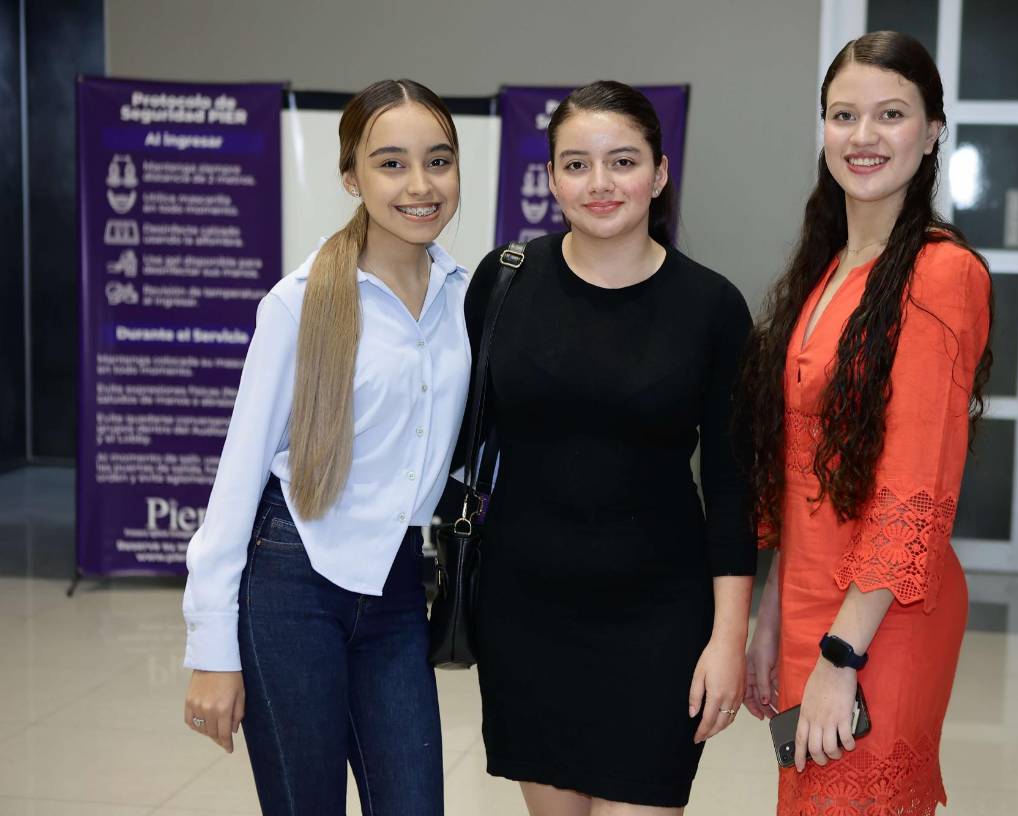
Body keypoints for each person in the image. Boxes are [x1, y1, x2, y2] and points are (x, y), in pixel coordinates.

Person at [465, 80, 756, 815]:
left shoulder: (712, 307)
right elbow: (451, 437)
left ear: (659, 175)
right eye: (576, 164)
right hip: (526, 614)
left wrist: (729, 640)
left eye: (623, 162)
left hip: (660, 620)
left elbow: (731, 487)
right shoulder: (504, 285)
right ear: (552, 177)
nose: (600, 184)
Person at [180, 78, 469, 816]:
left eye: (438, 161)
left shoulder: (467, 300)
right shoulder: (301, 302)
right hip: (290, 583)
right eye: (392, 163)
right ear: (352, 177)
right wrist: (212, 651)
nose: (420, 185)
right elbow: (237, 478)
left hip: (399, 588)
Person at [738, 32, 993, 815]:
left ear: (934, 130)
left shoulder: (941, 274)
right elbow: (801, 470)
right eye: (844, 115)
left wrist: (842, 654)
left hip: (881, 619)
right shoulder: (827, 271)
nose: (864, 136)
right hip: (811, 604)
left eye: (891, 114)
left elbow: (915, 485)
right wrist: (772, 612)